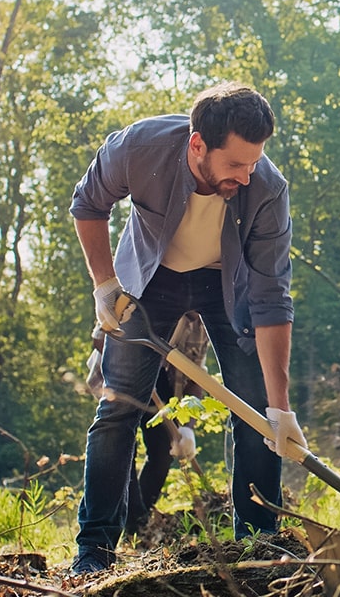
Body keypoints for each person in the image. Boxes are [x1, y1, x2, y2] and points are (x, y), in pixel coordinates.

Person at [69, 82, 300, 575]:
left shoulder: (267, 189)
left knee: (256, 412)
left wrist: (280, 408)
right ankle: (94, 550)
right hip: (149, 281)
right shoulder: (138, 148)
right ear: (198, 145)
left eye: (255, 161)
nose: (248, 173)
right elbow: (88, 203)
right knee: (118, 409)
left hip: (227, 284)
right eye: (235, 164)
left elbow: (271, 298)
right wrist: (105, 285)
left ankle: (259, 547)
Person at [85, 313, 210, 535]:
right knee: (123, 447)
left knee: (163, 450)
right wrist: (137, 366)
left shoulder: (200, 324)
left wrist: (187, 429)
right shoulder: (143, 293)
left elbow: (196, 378)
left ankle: (139, 520)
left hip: (164, 382)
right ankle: (134, 521)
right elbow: (100, 339)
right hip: (121, 377)